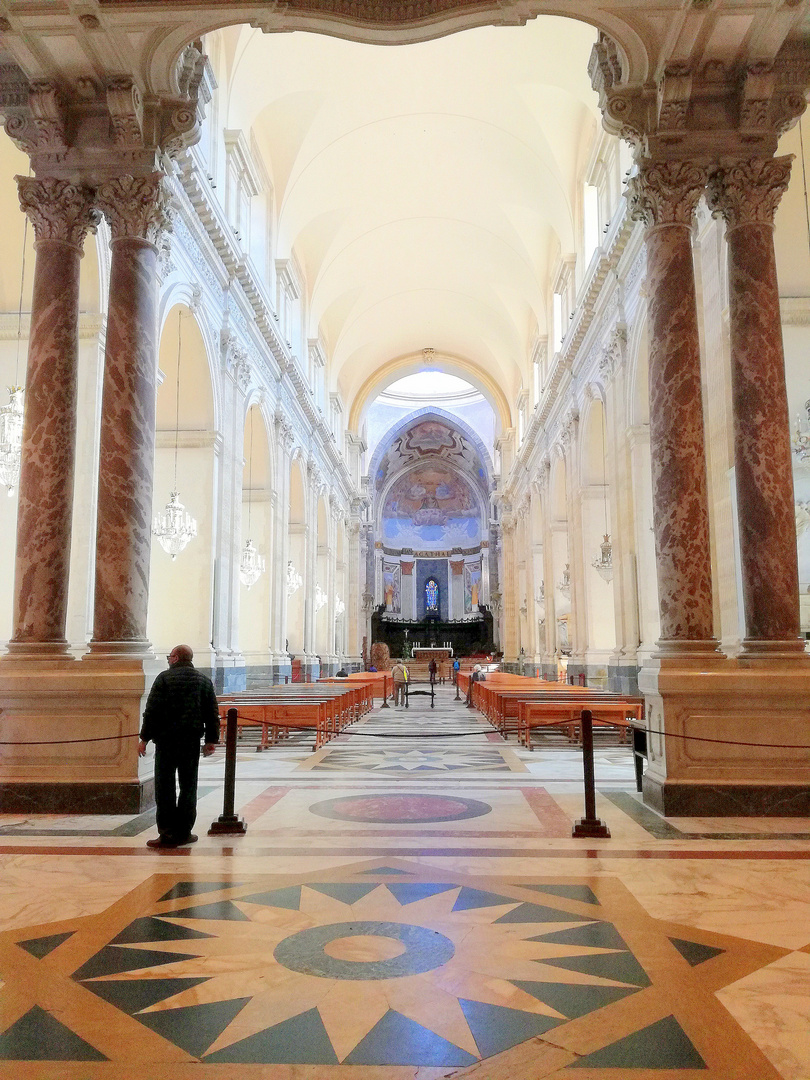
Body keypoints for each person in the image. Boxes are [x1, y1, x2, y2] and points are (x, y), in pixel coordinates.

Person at [139, 644, 219, 849]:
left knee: (164, 787)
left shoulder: (163, 679)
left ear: (175, 658)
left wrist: (144, 738)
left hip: (165, 742)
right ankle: (184, 832)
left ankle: (166, 833)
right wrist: (211, 740)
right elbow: (212, 714)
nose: (168, 659)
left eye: (169, 656)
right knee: (188, 787)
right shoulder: (203, 680)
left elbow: (152, 711)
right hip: (190, 741)